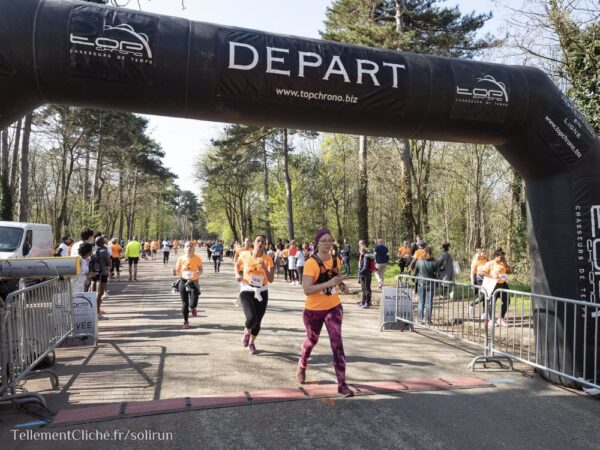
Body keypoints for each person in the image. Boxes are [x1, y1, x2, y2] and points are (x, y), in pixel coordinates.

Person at [297, 228, 353, 398]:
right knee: (311, 341)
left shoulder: (336, 260)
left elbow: (336, 278)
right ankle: (302, 364)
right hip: (314, 311)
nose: (328, 243)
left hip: (333, 308)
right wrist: (329, 283)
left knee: (337, 344)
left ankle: (342, 384)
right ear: (317, 243)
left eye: (330, 240)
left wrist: (342, 286)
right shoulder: (311, 263)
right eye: (324, 240)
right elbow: (307, 289)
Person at [236, 235, 274, 354]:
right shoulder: (245, 255)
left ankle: (251, 343)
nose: (260, 243)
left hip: (262, 291)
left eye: (263, 242)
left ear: (265, 245)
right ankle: (247, 331)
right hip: (247, 289)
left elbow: (271, 279)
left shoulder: (268, 259)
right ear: (254, 242)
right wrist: (237, 275)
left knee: (257, 321)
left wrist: (265, 268)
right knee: (251, 318)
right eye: (258, 241)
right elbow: (237, 265)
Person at [174, 241, 203, 329]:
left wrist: (199, 272)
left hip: (194, 281)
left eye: (190, 246)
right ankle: (186, 321)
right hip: (183, 281)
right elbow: (177, 271)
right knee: (185, 303)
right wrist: (175, 272)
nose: (189, 248)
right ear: (184, 248)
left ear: (193, 248)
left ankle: (193, 308)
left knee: (192, 303)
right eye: (187, 246)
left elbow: (201, 269)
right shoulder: (181, 258)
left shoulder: (197, 258)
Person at [482, 250, 512, 326]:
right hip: (493, 285)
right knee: (492, 302)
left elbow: (509, 272)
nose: (502, 258)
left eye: (503, 257)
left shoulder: (503, 263)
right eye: (501, 257)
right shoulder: (490, 263)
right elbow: (483, 272)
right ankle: (491, 320)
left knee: (507, 301)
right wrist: (492, 277)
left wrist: (505, 264)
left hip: (503, 284)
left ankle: (501, 319)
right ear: (496, 256)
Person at [413, 246, 438, 324]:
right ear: (431, 253)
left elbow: (415, 273)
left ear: (424, 253)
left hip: (421, 283)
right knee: (429, 303)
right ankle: (428, 320)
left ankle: (420, 319)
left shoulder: (419, 262)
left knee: (421, 302)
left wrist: (415, 280)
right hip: (430, 283)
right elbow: (437, 275)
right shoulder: (434, 263)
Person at [92, 237, 112, 319]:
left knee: (93, 294)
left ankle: (93, 312)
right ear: (103, 242)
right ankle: (97, 313)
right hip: (102, 273)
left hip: (93, 274)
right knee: (100, 294)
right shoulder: (104, 250)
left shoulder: (93, 250)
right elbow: (108, 263)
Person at [468, 248, 489, 317]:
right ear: (479, 253)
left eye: (484, 252)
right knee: (482, 297)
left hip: (486, 279)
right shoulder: (475, 261)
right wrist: (472, 282)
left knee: (486, 296)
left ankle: (484, 313)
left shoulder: (486, 260)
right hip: (479, 279)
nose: (483, 253)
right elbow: (472, 272)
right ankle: (471, 305)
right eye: (482, 252)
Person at [357, 244, 374, 308]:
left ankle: (367, 303)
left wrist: (360, 272)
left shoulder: (366, 257)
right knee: (364, 289)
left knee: (366, 289)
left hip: (365, 275)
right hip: (365, 274)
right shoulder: (364, 256)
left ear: (361, 250)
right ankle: (363, 302)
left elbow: (365, 267)